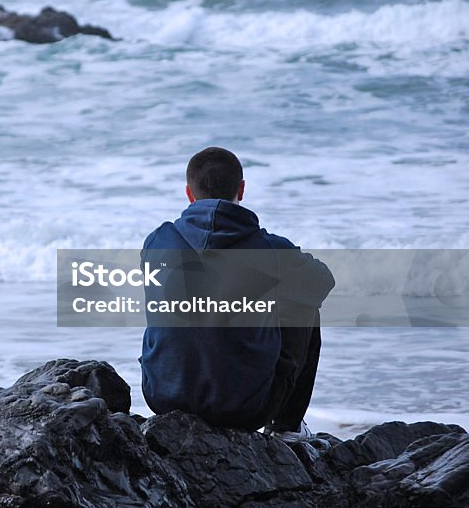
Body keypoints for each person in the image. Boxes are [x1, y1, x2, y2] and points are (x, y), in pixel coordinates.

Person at [139, 147, 334, 441]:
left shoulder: (156, 241)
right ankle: (287, 427)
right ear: (241, 190)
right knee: (304, 304)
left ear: (189, 194)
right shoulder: (271, 249)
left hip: (163, 397)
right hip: (244, 410)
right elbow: (322, 282)